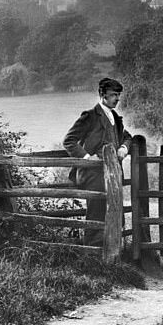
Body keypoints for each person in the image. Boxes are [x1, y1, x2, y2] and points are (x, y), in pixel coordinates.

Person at [63, 77, 132, 246]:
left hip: (113, 175)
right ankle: (92, 258)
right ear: (102, 94)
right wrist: (87, 158)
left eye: (118, 95)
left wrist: (124, 147)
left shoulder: (115, 116)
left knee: (114, 214)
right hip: (93, 176)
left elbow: (127, 137)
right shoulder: (90, 116)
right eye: (113, 94)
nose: (117, 99)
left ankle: (112, 255)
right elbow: (69, 140)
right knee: (96, 217)